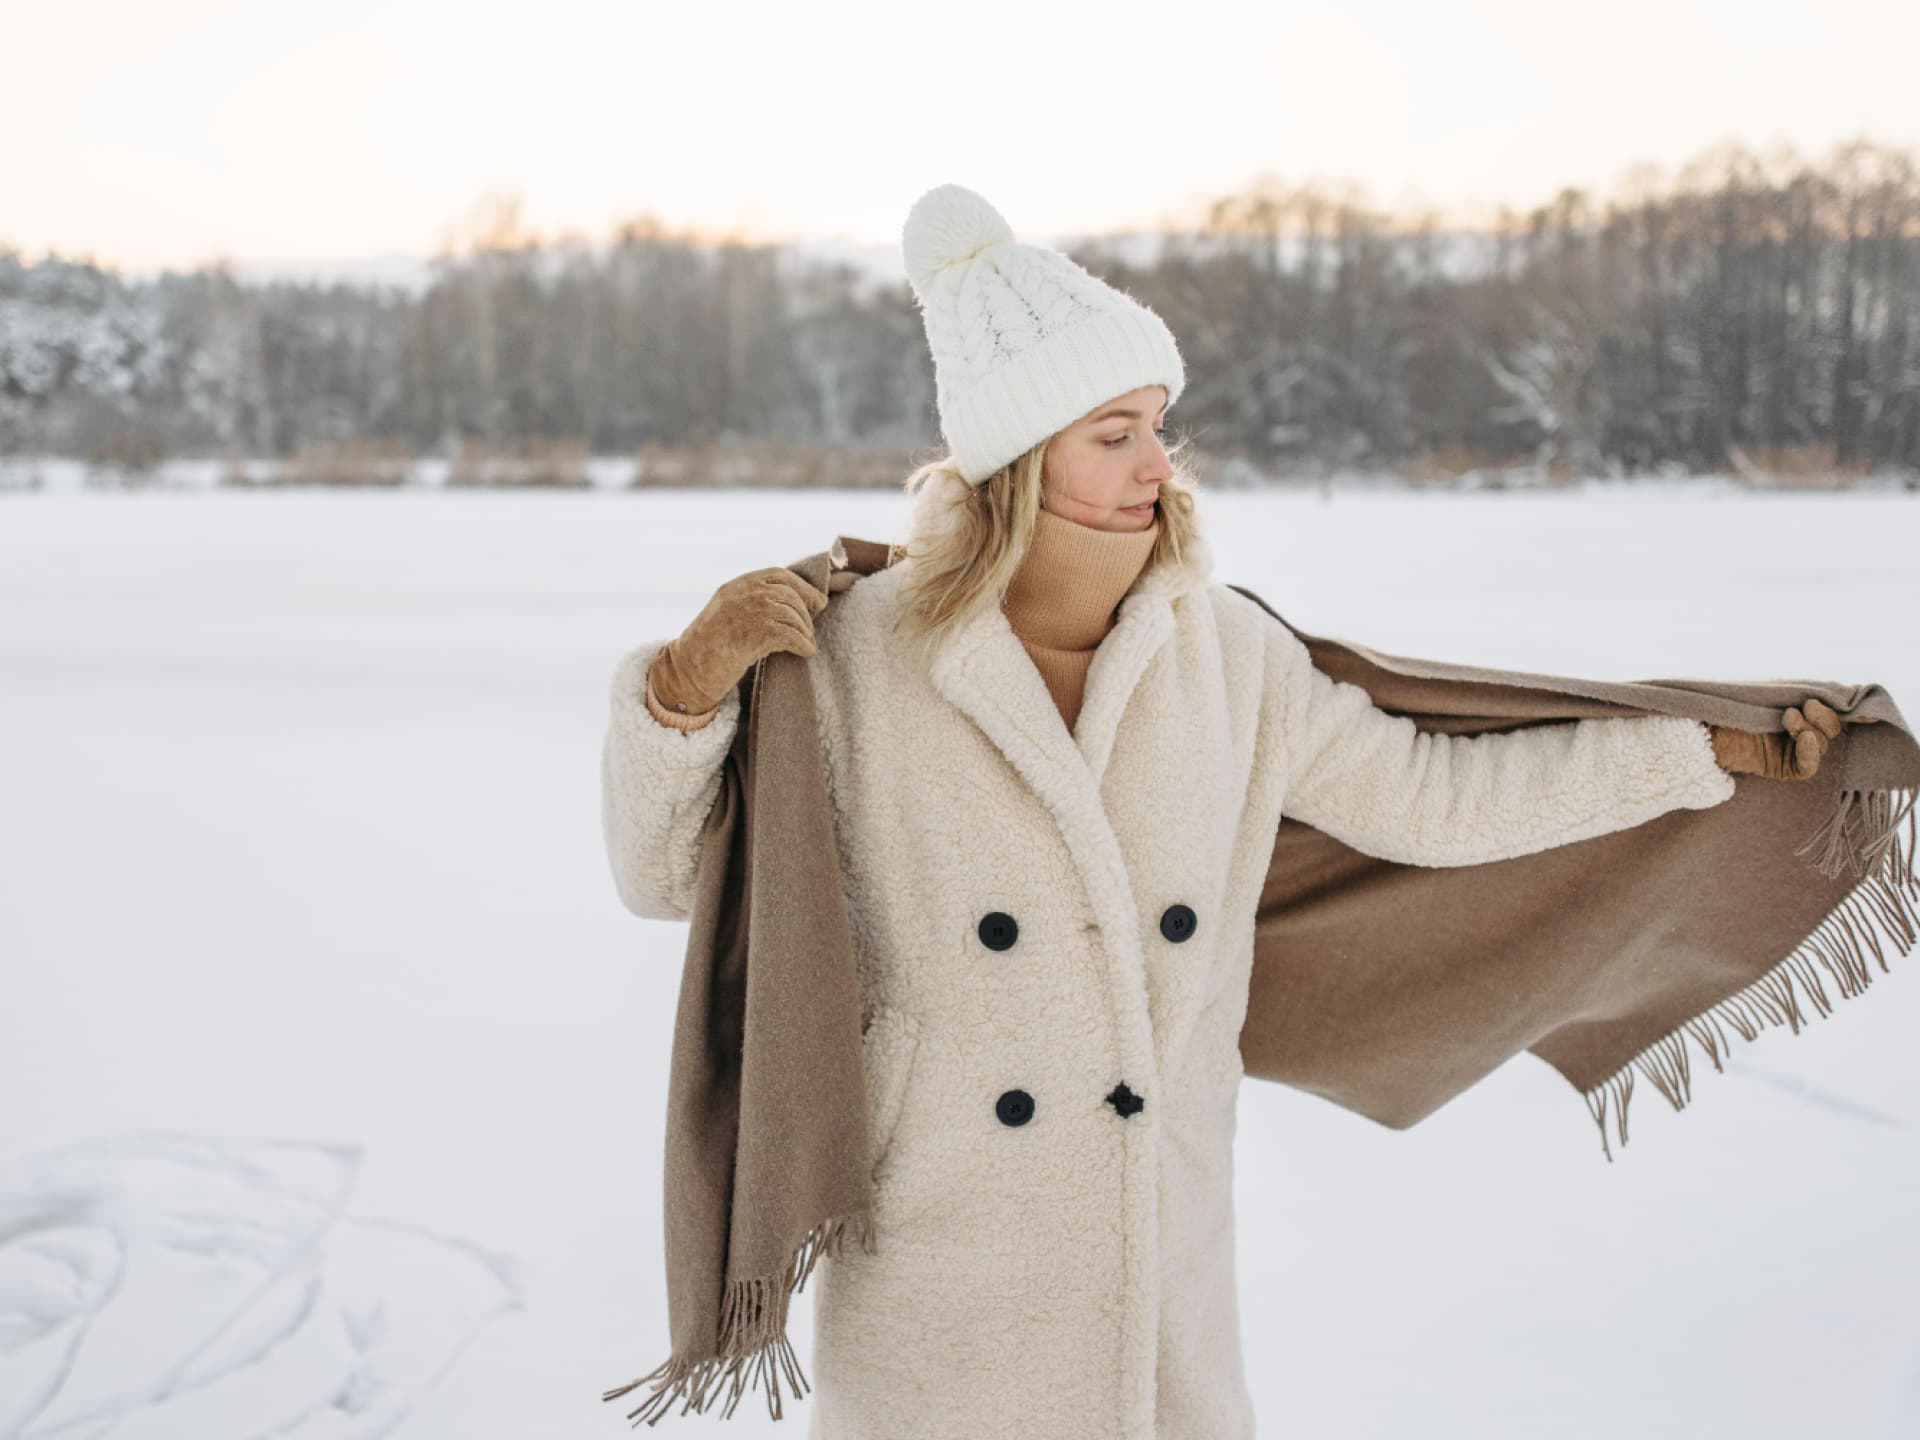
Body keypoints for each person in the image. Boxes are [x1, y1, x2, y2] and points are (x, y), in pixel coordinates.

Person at [599, 184, 1838, 1440]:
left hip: (1157, 1248)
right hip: (940, 1248)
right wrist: (678, 697)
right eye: (1115, 433)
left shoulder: (1223, 652)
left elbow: (1436, 798)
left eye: (1160, 425)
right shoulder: (860, 656)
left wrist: (1692, 755)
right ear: (1021, 455)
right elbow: (665, 880)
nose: (1159, 464)